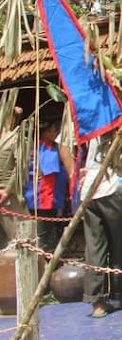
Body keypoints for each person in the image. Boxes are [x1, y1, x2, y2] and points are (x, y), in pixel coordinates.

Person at [80, 132, 122, 318]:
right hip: (117, 188)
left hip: (92, 188)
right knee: (121, 244)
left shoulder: (95, 122)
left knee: (95, 247)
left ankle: (97, 301)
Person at [25, 120, 73, 254]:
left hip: (54, 199)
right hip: (39, 199)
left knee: (52, 233)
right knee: (41, 235)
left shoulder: (58, 148)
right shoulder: (36, 148)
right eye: (54, 129)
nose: (56, 132)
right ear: (46, 132)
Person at [0, 106, 24, 248]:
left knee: (19, 239)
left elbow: (20, 167)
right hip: (6, 195)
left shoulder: (16, 138)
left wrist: (8, 190)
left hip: (8, 195)